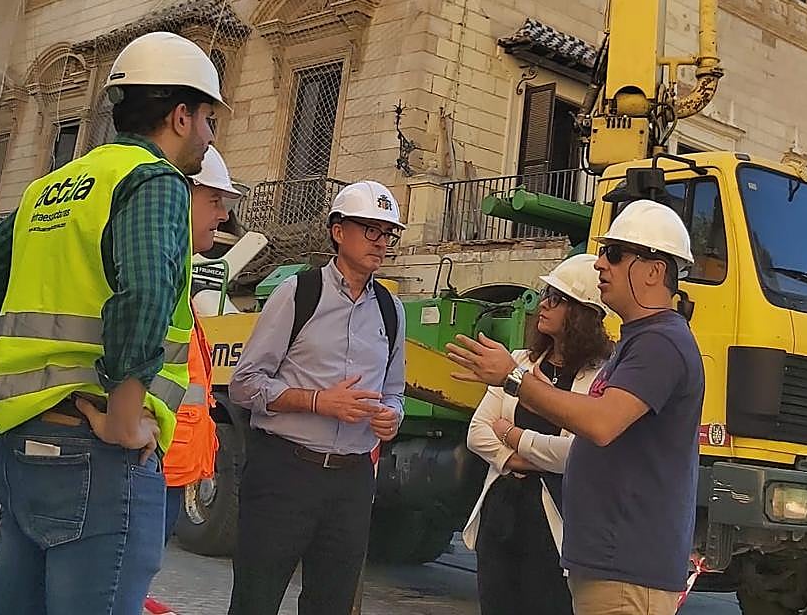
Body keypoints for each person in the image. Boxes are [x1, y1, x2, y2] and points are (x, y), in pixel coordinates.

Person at [0, 30, 225, 615]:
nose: (208, 135)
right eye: (208, 119)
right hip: (97, 453)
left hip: (23, 442)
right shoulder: (156, 182)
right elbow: (146, 292)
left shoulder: (52, 187)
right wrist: (125, 418)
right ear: (180, 115)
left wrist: (10, 380)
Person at [447, 200, 705, 615]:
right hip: (607, 563)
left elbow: (601, 424)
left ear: (656, 271)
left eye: (616, 254)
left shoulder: (660, 343)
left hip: (626, 570)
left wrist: (513, 383)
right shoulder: (640, 341)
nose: (601, 263)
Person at [227, 180, 407, 615]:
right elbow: (245, 383)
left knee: (332, 603)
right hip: (285, 472)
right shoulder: (298, 293)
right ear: (338, 231)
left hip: (351, 481)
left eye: (388, 233)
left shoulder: (391, 309)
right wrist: (316, 402)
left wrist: (391, 417)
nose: (380, 243)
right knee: (256, 600)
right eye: (370, 229)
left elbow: (394, 392)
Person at [463, 254, 612, 615]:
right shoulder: (520, 362)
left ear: (580, 314)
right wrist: (521, 459)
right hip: (501, 512)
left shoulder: (599, 378)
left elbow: (575, 452)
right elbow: (477, 433)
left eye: (556, 298)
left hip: (553, 521)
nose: (543, 303)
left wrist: (512, 436)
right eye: (546, 293)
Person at [160, 145, 241, 543]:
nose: (223, 215)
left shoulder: (177, 281)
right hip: (147, 470)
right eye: (214, 200)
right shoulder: (155, 274)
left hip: (166, 470)